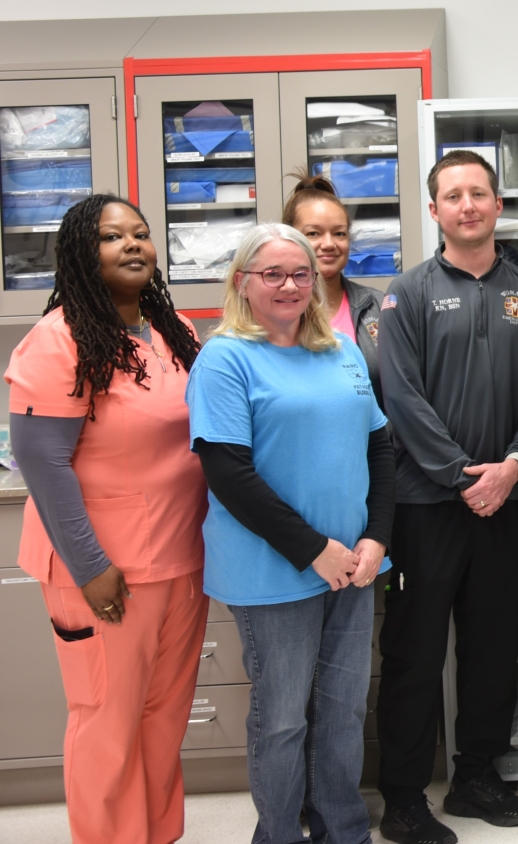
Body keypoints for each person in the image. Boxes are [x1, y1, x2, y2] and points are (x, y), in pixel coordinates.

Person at [5, 194, 207, 844]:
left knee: (163, 718)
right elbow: (43, 464)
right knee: (107, 723)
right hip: (103, 574)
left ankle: (156, 835)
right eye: (111, 236)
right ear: (78, 253)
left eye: (141, 234)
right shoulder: (56, 341)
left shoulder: (174, 332)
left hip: (180, 561)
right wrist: (90, 567)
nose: (132, 245)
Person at [185, 223, 393, 844]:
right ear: (242, 282)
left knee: (343, 711)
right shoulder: (225, 357)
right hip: (272, 570)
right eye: (271, 274)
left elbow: (379, 449)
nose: (289, 285)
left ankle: (343, 830)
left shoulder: (342, 349)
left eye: (300, 273)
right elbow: (228, 473)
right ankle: (278, 835)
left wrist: (376, 537)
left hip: (354, 566)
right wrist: (313, 550)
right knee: (281, 720)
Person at [376, 149, 518, 844]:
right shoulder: (408, 293)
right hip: (425, 509)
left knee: (490, 649)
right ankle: (403, 796)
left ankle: (477, 777)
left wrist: (511, 466)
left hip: (506, 505)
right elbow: (402, 397)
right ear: (435, 211)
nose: (467, 205)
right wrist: (460, 475)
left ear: (497, 204)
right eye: (452, 196)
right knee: (415, 653)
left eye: (478, 193)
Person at [282, 169, 385, 405]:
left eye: (339, 233)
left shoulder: (378, 307)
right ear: (290, 237)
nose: (328, 244)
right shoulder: (274, 311)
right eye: (313, 233)